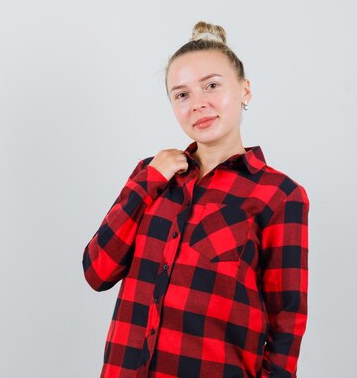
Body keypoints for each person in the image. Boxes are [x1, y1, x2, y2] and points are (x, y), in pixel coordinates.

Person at [82, 21, 310, 378]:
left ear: (245, 90)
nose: (198, 104)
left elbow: (287, 321)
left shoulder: (279, 195)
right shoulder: (152, 176)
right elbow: (98, 271)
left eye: (212, 86)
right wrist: (148, 181)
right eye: (182, 94)